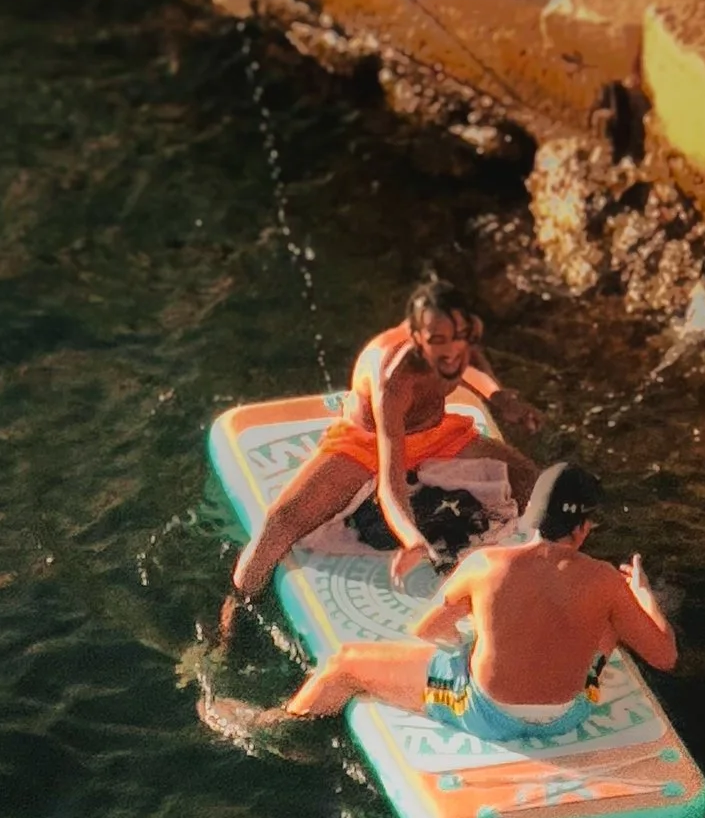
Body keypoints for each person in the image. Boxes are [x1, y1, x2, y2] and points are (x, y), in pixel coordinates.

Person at [273, 463, 674, 742]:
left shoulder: (486, 565)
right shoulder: (605, 579)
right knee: (609, 622)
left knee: (344, 664)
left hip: (486, 713)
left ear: (529, 518)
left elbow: (427, 630)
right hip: (568, 714)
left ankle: (281, 729)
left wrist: (483, 625)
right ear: (584, 527)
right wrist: (644, 598)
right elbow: (664, 657)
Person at [225, 274, 537, 615]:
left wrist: (501, 397)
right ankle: (229, 625)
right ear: (418, 339)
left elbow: (474, 361)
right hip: (368, 444)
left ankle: (557, 579)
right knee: (278, 525)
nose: (451, 351)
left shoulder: (461, 339)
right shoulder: (394, 376)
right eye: (438, 341)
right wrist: (412, 539)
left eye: (459, 338)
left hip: (438, 434)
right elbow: (390, 483)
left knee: (533, 484)